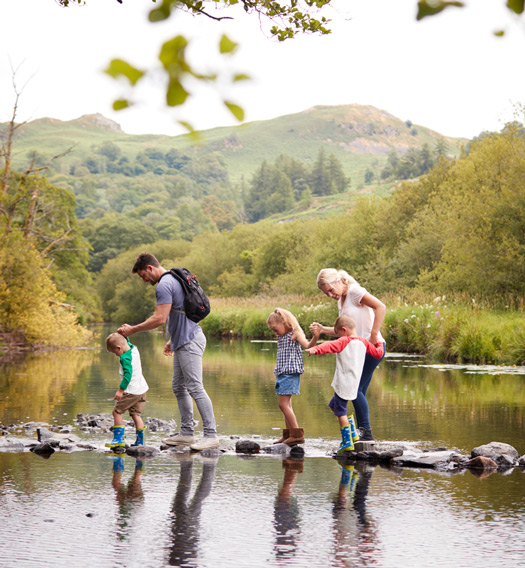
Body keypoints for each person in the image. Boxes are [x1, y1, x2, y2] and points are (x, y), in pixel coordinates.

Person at [118, 252, 219, 452]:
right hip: (183, 340)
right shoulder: (174, 279)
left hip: (190, 341)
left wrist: (132, 330)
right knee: (178, 386)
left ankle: (211, 435)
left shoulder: (164, 284)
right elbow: (181, 313)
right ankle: (187, 434)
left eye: (143, 276)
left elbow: (159, 318)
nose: (144, 280)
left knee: (195, 387)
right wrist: (173, 339)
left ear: (149, 268)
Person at [310, 269, 386, 442]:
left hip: (370, 347)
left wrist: (374, 334)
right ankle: (359, 434)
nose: (330, 295)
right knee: (358, 392)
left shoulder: (354, 292)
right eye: (325, 293)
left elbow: (381, 307)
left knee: (355, 390)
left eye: (330, 290)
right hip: (356, 351)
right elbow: (343, 332)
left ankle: (365, 432)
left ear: (338, 281)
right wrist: (322, 329)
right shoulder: (342, 300)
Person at [306, 315, 384, 453]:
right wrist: (379, 343)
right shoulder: (364, 342)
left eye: (339, 334)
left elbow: (329, 346)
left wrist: (315, 349)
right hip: (354, 383)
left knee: (341, 412)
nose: (338, 337)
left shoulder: (344, 341)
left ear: (344, 330)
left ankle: (347, 442)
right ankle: (353, 433)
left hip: (343, 383)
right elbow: (378, 354)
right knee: (333, 405)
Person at [267, 308, 320, 446]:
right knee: (287, 404)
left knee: (282, 404)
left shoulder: (295, 334)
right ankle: (289, 434)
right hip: (282, 372)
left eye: (275, 329)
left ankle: (297, 435)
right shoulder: (281, 336)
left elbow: (308, 345)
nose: (275, 332)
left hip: (290, 372)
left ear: (285, 323)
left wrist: (315, 337)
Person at [105, 332, 149, 448]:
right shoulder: (134, 348)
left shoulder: (125, 358)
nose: (116, 355)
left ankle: (118, 439)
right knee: (136, 415)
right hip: (142, 389)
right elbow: (126, 340)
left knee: (116, 412)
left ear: (119, 348)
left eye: (115, 352)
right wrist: (123, 333)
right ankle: (140, 442)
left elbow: (127, 375)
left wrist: (120, 390)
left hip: (131, 391)